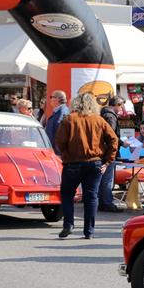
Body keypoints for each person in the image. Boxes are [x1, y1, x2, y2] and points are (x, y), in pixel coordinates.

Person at [55, 93, 118, 239]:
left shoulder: (69, 119)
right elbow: (113, 140)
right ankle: (89, 231)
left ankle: (68, 224)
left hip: (73, 163)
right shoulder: (99, 120)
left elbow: (60, 141)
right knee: (91, 196)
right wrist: (107, 161)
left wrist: (66, 154)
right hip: (94, 162)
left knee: (67, 194)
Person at [97, 96, 124, 212]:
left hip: (102, 151)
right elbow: (111, 136)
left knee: (103, 178)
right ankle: (107, 203)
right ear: (117, 105)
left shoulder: (103, 114)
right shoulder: (111, 117)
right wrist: (122, 143)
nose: (121, 109)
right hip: (108, 152)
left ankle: (102, 202)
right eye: (121, 106)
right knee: (107, 179)